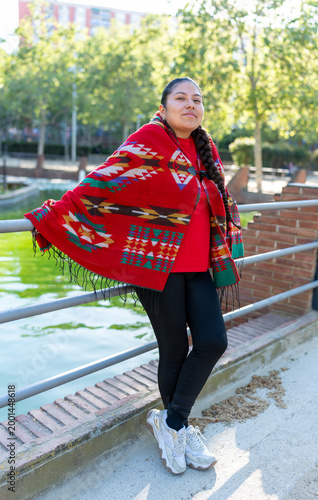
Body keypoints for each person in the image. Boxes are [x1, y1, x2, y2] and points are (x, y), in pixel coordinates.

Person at [24, 77, 243, 476]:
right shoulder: (148, 139)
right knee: (174, 351)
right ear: (163, 107)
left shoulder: (206, 148)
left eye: (197, 100)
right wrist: (57, 215)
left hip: (199, 266)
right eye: (182, 98)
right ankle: (180, 427)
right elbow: (107, 179)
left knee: (213, 340)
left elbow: (218, 202)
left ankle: (172, 423)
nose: (191, 104)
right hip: (156, 265)